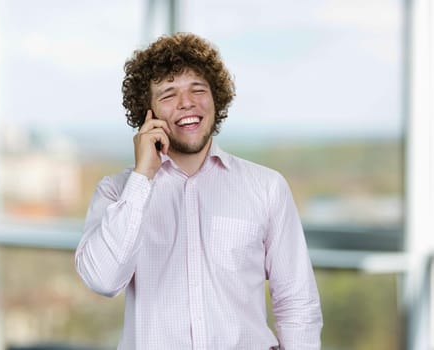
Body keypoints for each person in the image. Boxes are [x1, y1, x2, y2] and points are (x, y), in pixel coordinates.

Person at [75, 32, 323, 349]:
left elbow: (297, 304)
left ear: (215, 99)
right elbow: (103, 280)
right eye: (168, 95)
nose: (187, 102)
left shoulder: (266, 188)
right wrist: (142, 178)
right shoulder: (117, 192)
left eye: (198, 90)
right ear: (146, 113)